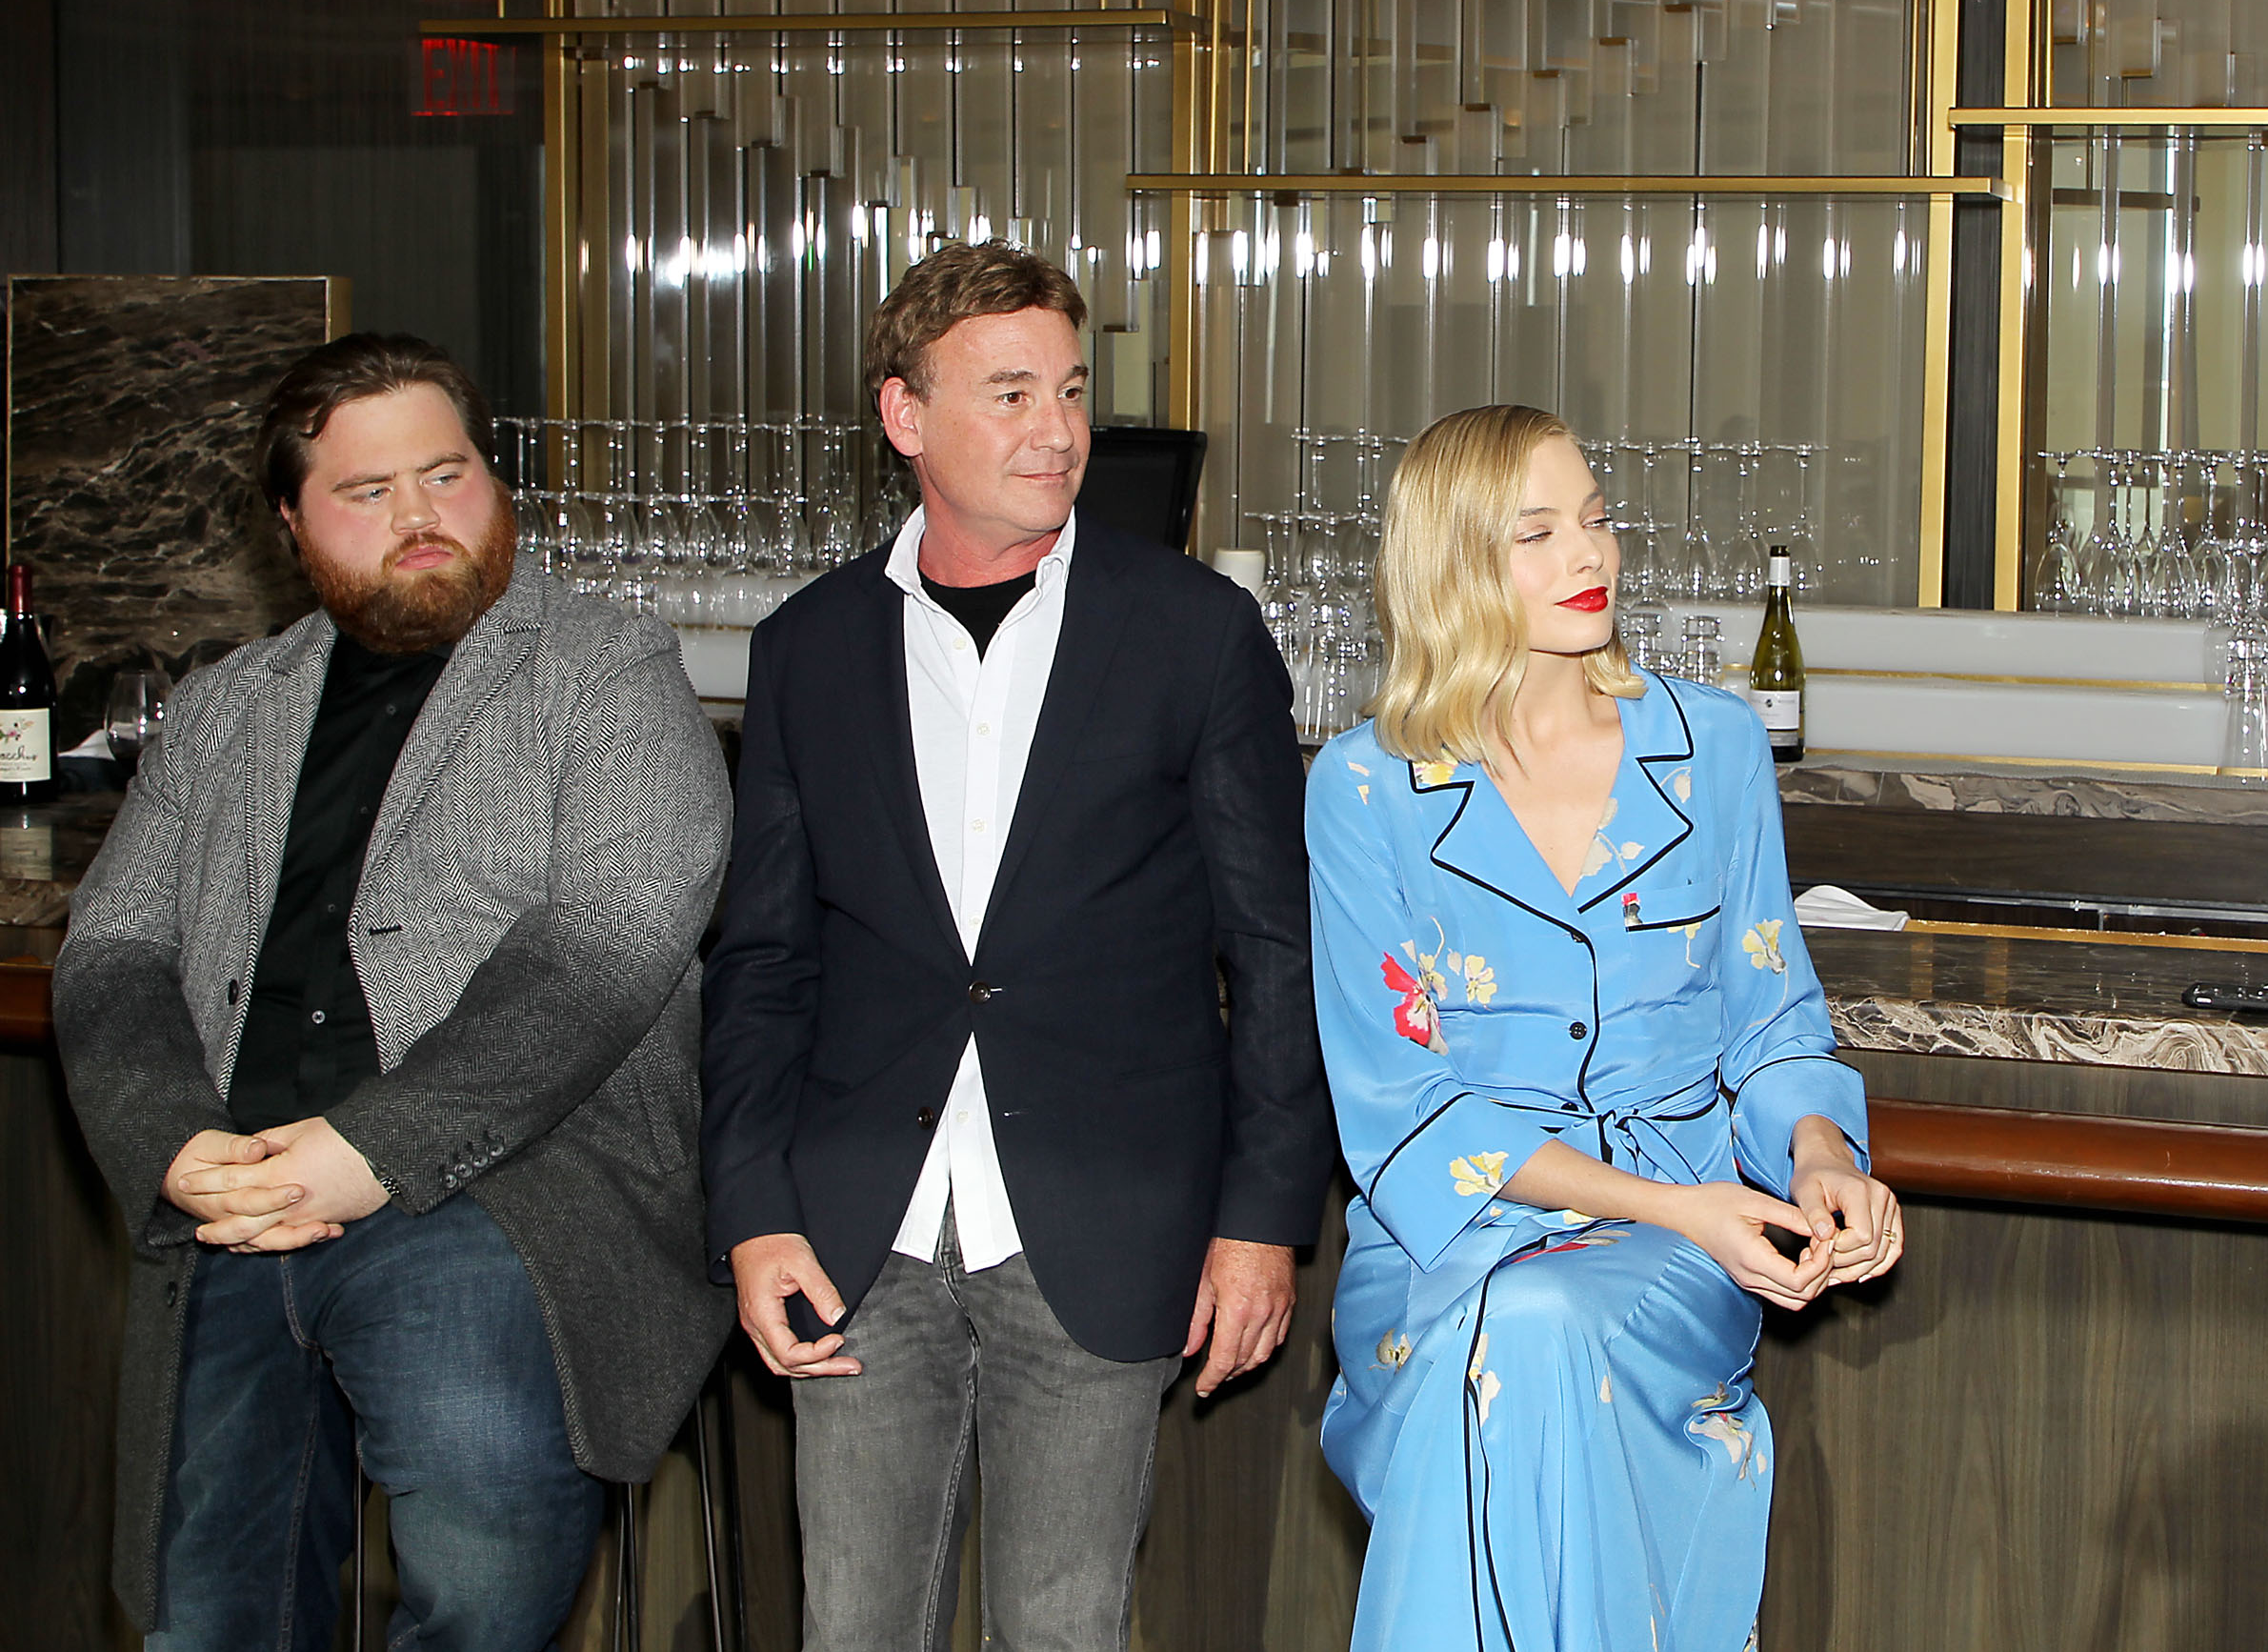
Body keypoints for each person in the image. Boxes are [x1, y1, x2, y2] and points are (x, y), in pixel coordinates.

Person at [53, 333, 733, 1646]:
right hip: (243, 1191)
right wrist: (174, 1145)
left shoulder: (608, 672)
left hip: (506, 1192)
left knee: (479, 1593)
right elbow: (114, 949)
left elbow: (606, 944)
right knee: (210, 1618)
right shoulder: (224, 709)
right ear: (291, 526)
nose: (421, 516)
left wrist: (375, 1150)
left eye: (448, 474)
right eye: (369, 492)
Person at [700, 241, 1332, 1650]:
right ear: (905, 416)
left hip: (1107, 1214)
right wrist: (751, 1210)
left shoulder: (1195, 634)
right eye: (1010, 394)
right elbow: (762, 959)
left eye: (1071, 390)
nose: (1057, 430)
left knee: (1060, 1629)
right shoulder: (808, 647)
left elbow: (1276, 950)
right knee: (853, 1629)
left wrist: (1261, 1220)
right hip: (858, 1223)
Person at [1306, 404, 1902, 1652]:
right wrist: (1680, 1206)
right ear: (1452, 561)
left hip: (1677, 1245)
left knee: (1532, 1337)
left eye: (1594, 519)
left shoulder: (1712, 748)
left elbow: (1772, 1018)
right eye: (1535, 533)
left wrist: (1820, 1158)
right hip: (1449, 1246)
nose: (1589, 556)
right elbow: (1405, 1111)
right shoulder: (1364, 786)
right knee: (1512, 1334)